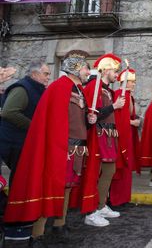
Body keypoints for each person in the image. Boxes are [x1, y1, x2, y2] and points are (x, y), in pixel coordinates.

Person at [4, 50, 98, 246]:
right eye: (85, 68)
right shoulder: (59, 88)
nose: (88, 72)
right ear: (74, 69)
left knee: (67, 188)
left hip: (77, 149)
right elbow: (53, 122)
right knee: (49, 187)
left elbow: (77, 121)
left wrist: (90, 120)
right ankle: (37, 234)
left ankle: (59, 225)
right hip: (61, 148)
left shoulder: (78, 90)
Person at [0, 61, 50, 241]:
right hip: (14, 143)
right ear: (34, 74)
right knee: (19, 180)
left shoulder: (36, 89)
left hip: (23, 142)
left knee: (24, 179)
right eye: (45, 73)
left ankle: (20, 215)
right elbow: (9, 112)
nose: (48, 77)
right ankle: (14, 221)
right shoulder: (23, 88)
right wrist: (35, 126)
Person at [84, 53, 125, 227]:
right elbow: (93, 114)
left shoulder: (108, 90)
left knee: (109, 171)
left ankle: (101, 206)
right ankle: (90, 212)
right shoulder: (94, 86)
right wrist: (114, 106)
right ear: (106, 70)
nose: (117, 74)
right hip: (98, 136)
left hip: (109, 137)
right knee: (94, 173)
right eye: (115, 70)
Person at [110, 68, 141, 207]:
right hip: (120, 137)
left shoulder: (129, 96)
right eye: (130, 81)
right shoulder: (119, 94)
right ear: (123, 82)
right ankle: (116, 199)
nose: (133, 84)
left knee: (127, 169)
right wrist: (131, 122)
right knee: (120, 168)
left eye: (134, 82)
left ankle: (123, 198)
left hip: (128, 135)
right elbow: (116, 118)